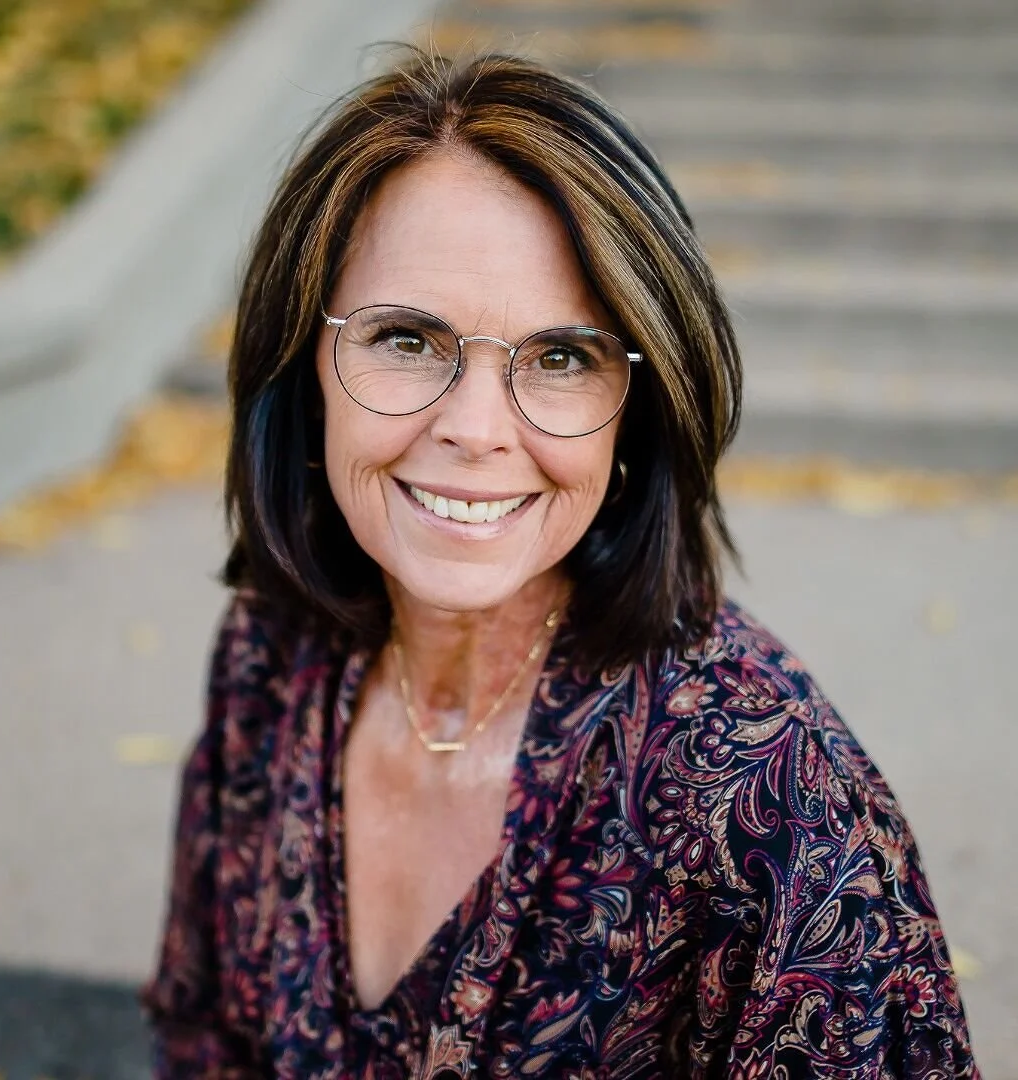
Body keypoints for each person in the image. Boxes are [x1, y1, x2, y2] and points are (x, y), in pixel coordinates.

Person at [140, 49, 979, 1078]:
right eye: (405, 339)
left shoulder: (772, 802)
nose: (475, 429)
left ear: (637, 413)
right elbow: (201, 1034)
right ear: (305, 367)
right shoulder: (275, 652)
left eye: (562, 357)